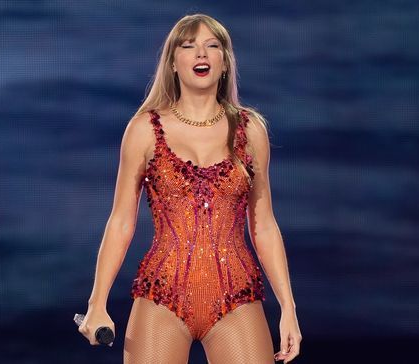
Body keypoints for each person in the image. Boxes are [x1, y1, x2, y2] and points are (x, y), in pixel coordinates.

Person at [77, 13, 302, 363]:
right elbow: (121, 221)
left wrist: (288, 308)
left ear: (224, 62)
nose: (202, 54)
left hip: (236, 298)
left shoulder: (250, 130)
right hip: (162, 296)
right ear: (173, 62)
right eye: (189, 46)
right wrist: (97, 303)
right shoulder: (144, 130)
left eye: (212, 46)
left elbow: (264, 225)